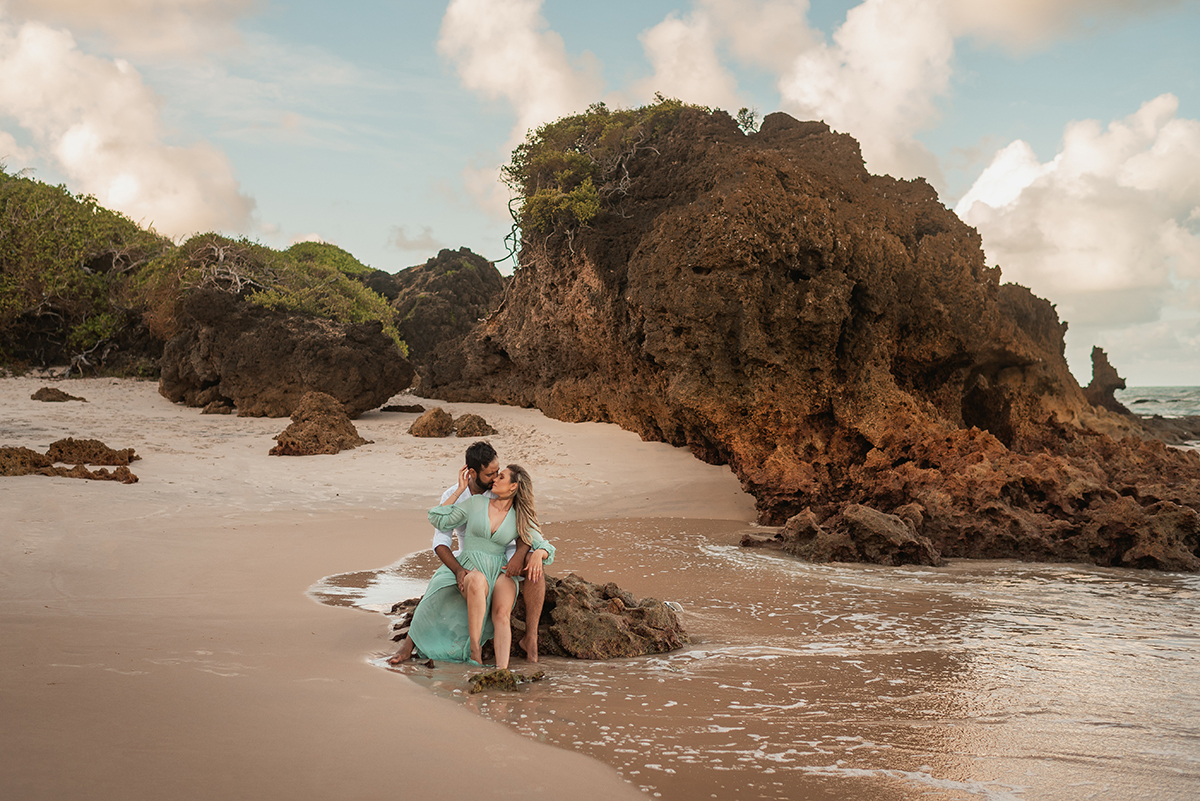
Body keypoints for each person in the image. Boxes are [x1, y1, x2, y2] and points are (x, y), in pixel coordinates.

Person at [387, 459, 554, 668]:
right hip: (470, 562)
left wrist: (539, 553)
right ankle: (473, 653)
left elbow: (545, 545)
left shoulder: (519, 516)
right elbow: (438, 517)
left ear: (513, 487)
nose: (495, 479)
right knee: (460, 584)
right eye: (494, 474)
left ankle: (502, 671)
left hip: (498, 570)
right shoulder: (476, 503)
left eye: (501, 476)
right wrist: (459, 490)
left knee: (502, 613)